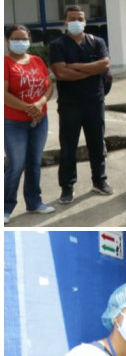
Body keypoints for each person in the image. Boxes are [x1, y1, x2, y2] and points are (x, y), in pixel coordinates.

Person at [48, 4, 113, 204]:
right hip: (70, 104)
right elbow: (61, 73)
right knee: (68, 146)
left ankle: (99, 180)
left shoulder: (97, 42)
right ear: (65, 22)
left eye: (80, 18)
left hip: (95, 101)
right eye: (72, 18)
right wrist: (91, 70)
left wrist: (75, 67)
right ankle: (67, 187)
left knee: (97, 142)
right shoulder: (58, 45)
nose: (77, 22)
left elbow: (105, 65)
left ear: (85, 21)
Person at [5, 24, 55, 222]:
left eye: (24, 39)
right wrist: (29, 108)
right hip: (14, 122)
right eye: (16, 39)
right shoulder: (5, 63)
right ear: (7, 41)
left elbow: (48, 86)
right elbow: (4, 94)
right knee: (16, 164)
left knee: (34, 162)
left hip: (39, 120)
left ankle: (34, 202)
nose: (21, 42)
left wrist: (40, 103)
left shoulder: (37, 61)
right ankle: (6, 207)